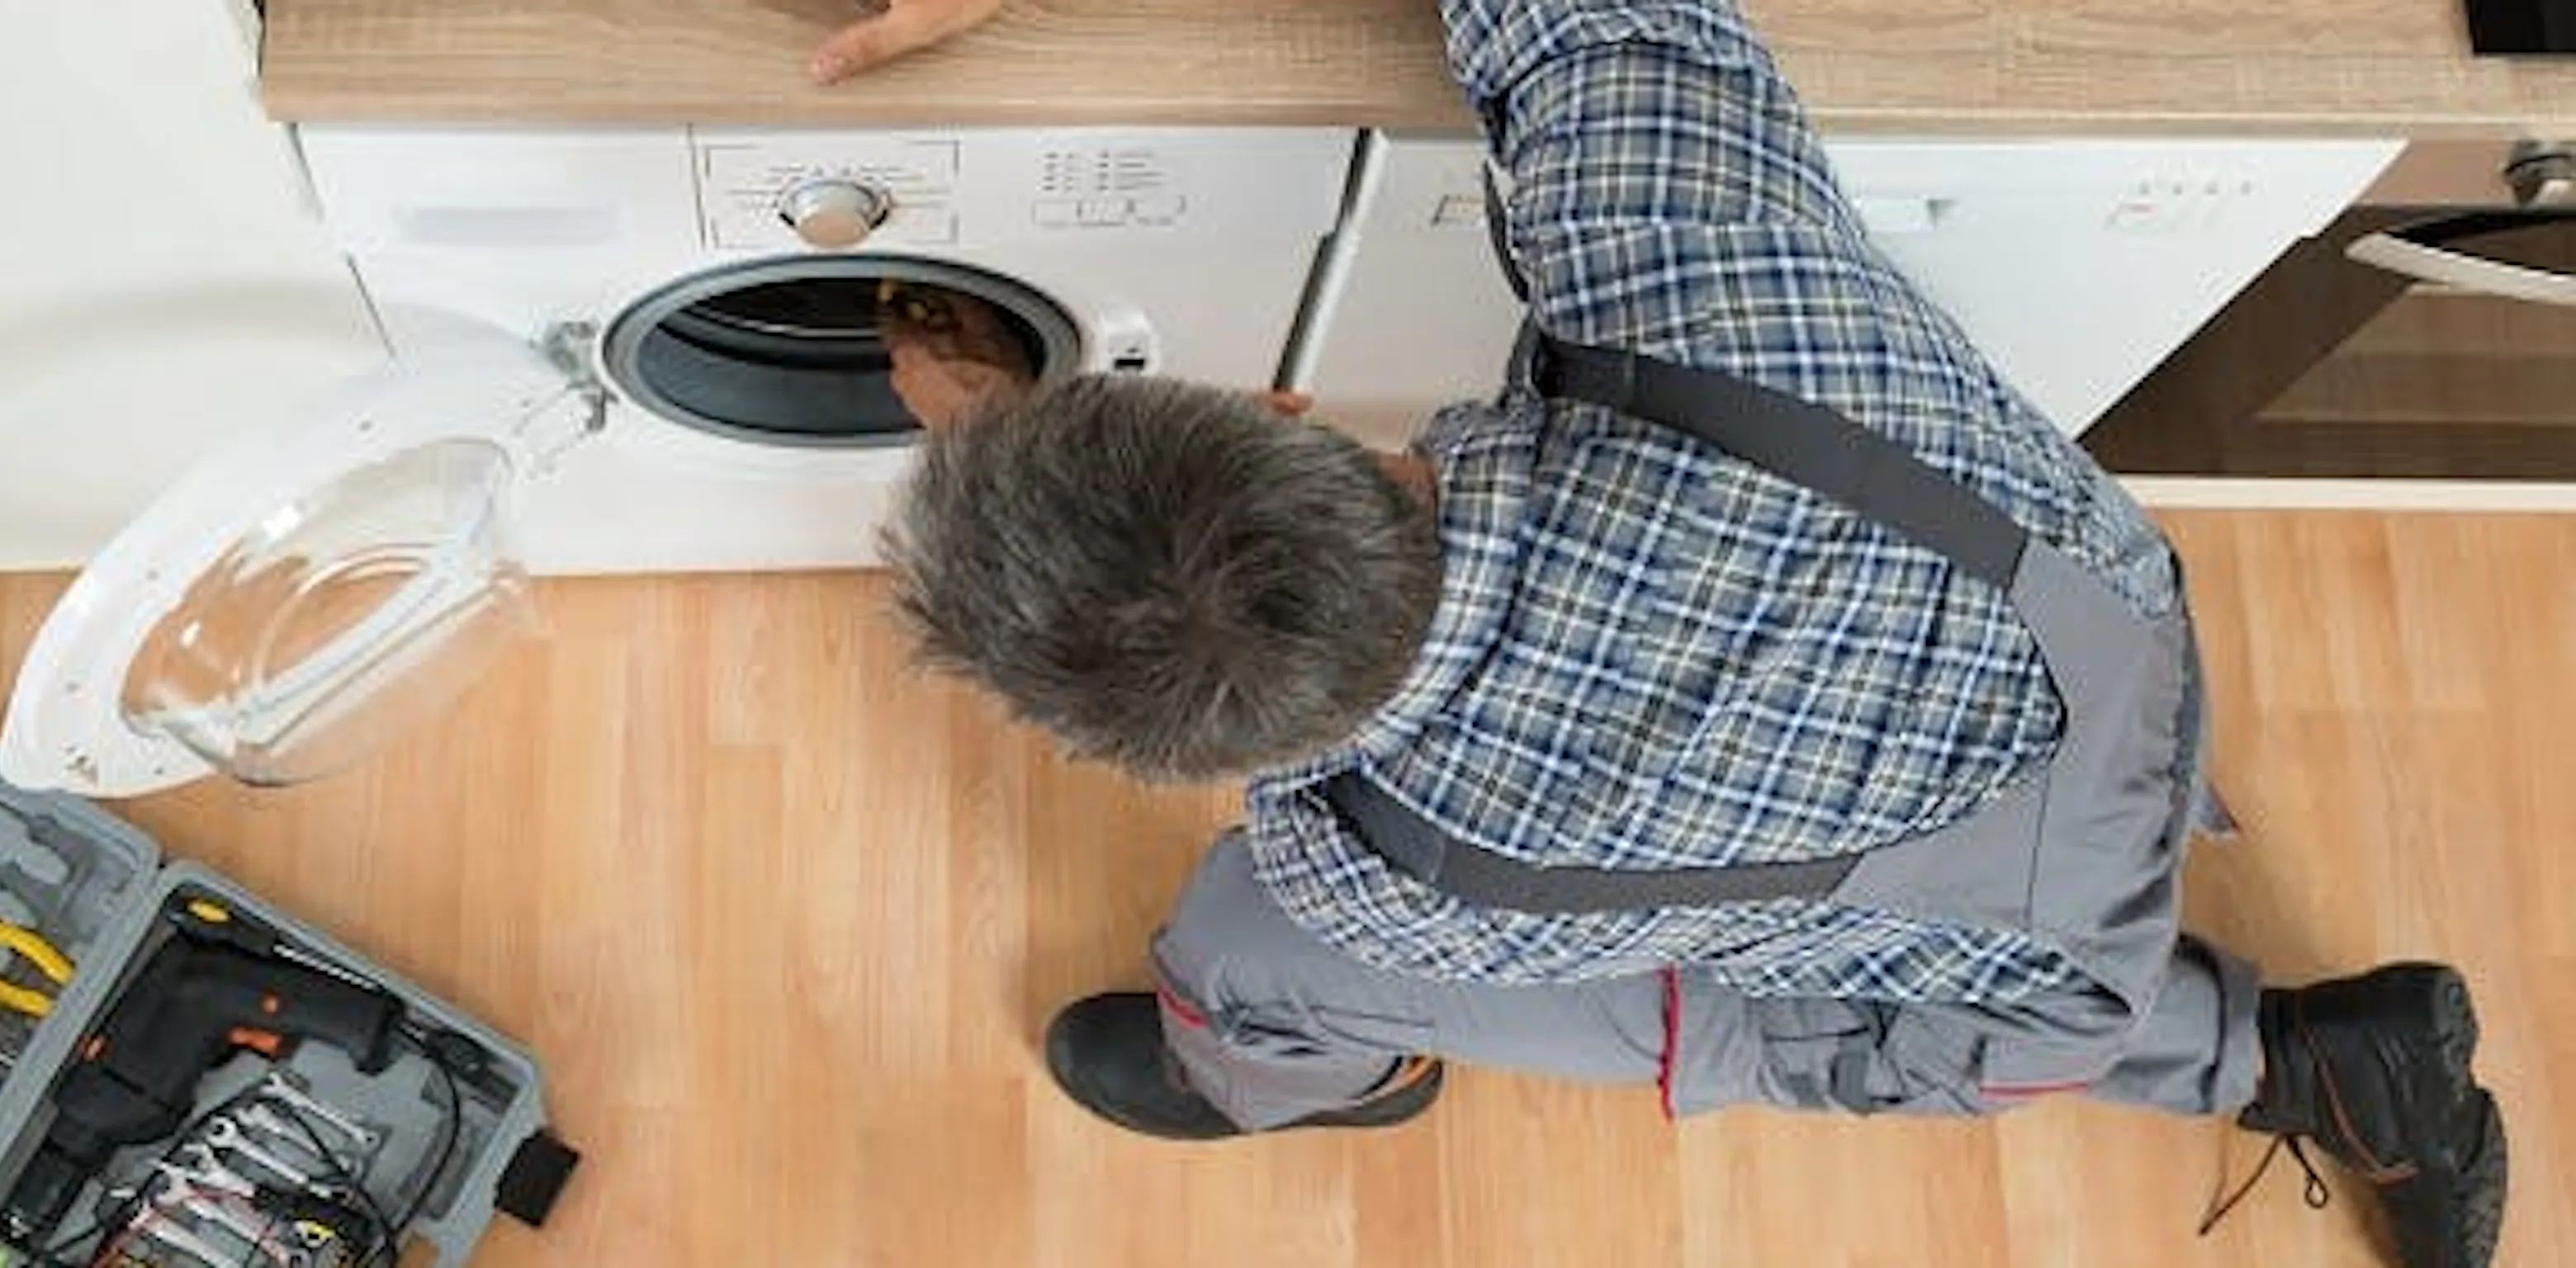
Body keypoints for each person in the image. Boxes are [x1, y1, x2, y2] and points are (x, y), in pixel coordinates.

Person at [823, 2, 2507, 1266]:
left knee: (1239, 955)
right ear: (1283, 410)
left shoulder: (1372, 871)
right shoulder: (1697, 294)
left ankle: (2294, 1062)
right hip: (2101, 656)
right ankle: (2318, 1052)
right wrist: (1025, 440)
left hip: (2006, 973)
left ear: (1203, 752)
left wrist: (999, 472)